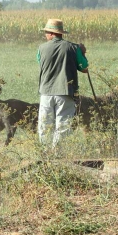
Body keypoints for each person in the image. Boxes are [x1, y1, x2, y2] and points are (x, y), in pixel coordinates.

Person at [36, 18, 88, 147]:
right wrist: (83, 52)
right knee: (63, 125)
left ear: (51, 33)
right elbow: (84, 68)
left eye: (46, 32)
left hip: (46, 93)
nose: (45, 34)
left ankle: (45, 153)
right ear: (61, 33)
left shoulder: (41, 48)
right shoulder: (73, 47)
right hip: (65, 92)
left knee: (45, 125)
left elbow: (40, 63)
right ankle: (57, 154)